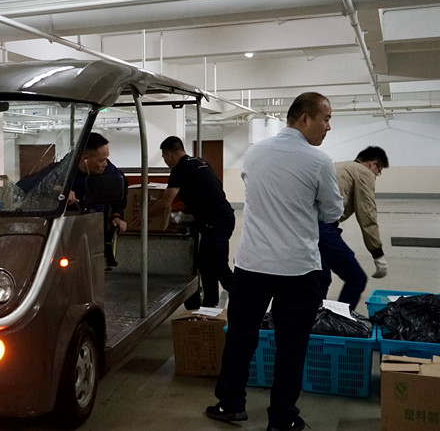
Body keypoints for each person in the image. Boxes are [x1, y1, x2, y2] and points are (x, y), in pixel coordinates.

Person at [206, 92, 343, 431]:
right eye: (325, 119)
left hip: (251, 265)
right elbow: (332, 212)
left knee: (241, 337)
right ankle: (282, 418)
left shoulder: (255, 153)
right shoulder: (319, 161)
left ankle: (230, 404)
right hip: (297, 268)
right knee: (291, 345)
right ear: (304, 119)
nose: (328, 126)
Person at [148, 136, 235, 307]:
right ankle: (209, 305)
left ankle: (246, 301)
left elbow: (165, 202)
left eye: (164, 157)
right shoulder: (199, 162)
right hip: (220, 218)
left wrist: (144, 215)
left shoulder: (180, 169)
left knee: (218, 266)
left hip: (216, 222)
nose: (165, 161)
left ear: (168, 154)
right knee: (205, 265)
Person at [17, 132, 128, 261]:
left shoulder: (109, 172)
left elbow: (121, 191)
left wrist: (117, 215)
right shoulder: (62, 171)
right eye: (101, 160)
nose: (105, 164)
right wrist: (57, 189)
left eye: (106, 159)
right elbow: (24, 186)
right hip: (65, 232)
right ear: (85, 159)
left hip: (95, 229)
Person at [319, 146, 389, 310]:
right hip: (322, 227)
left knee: (320, 278)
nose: (376, 175)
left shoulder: (340, 167)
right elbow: (367, 214)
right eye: (378, 171)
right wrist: (377, 253)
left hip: (303, 226)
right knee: (356, 279)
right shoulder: (363, 172)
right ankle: (340, 319)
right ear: (373, 164)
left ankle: (316, 319)